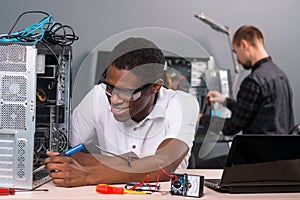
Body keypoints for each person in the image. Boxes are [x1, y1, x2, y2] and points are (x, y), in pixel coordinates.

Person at [43, 37, 199, 187]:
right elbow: (63, 154)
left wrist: (88, 175)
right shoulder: (98, 96)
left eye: (127, 92)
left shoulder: (182, 103)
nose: (115, 99)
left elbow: (164, 165)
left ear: (155, 87)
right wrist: (118, 162)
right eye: (110, 87)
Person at [208, 25, 294, 135]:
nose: (237, 59)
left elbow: (231, 127)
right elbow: (252, 109)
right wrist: (225, 101)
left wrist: (203, 119)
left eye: (236, 52)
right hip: (282, 150)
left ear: (244, 45)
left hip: (258, 150)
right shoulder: (281, 76)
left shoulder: (253, 82)